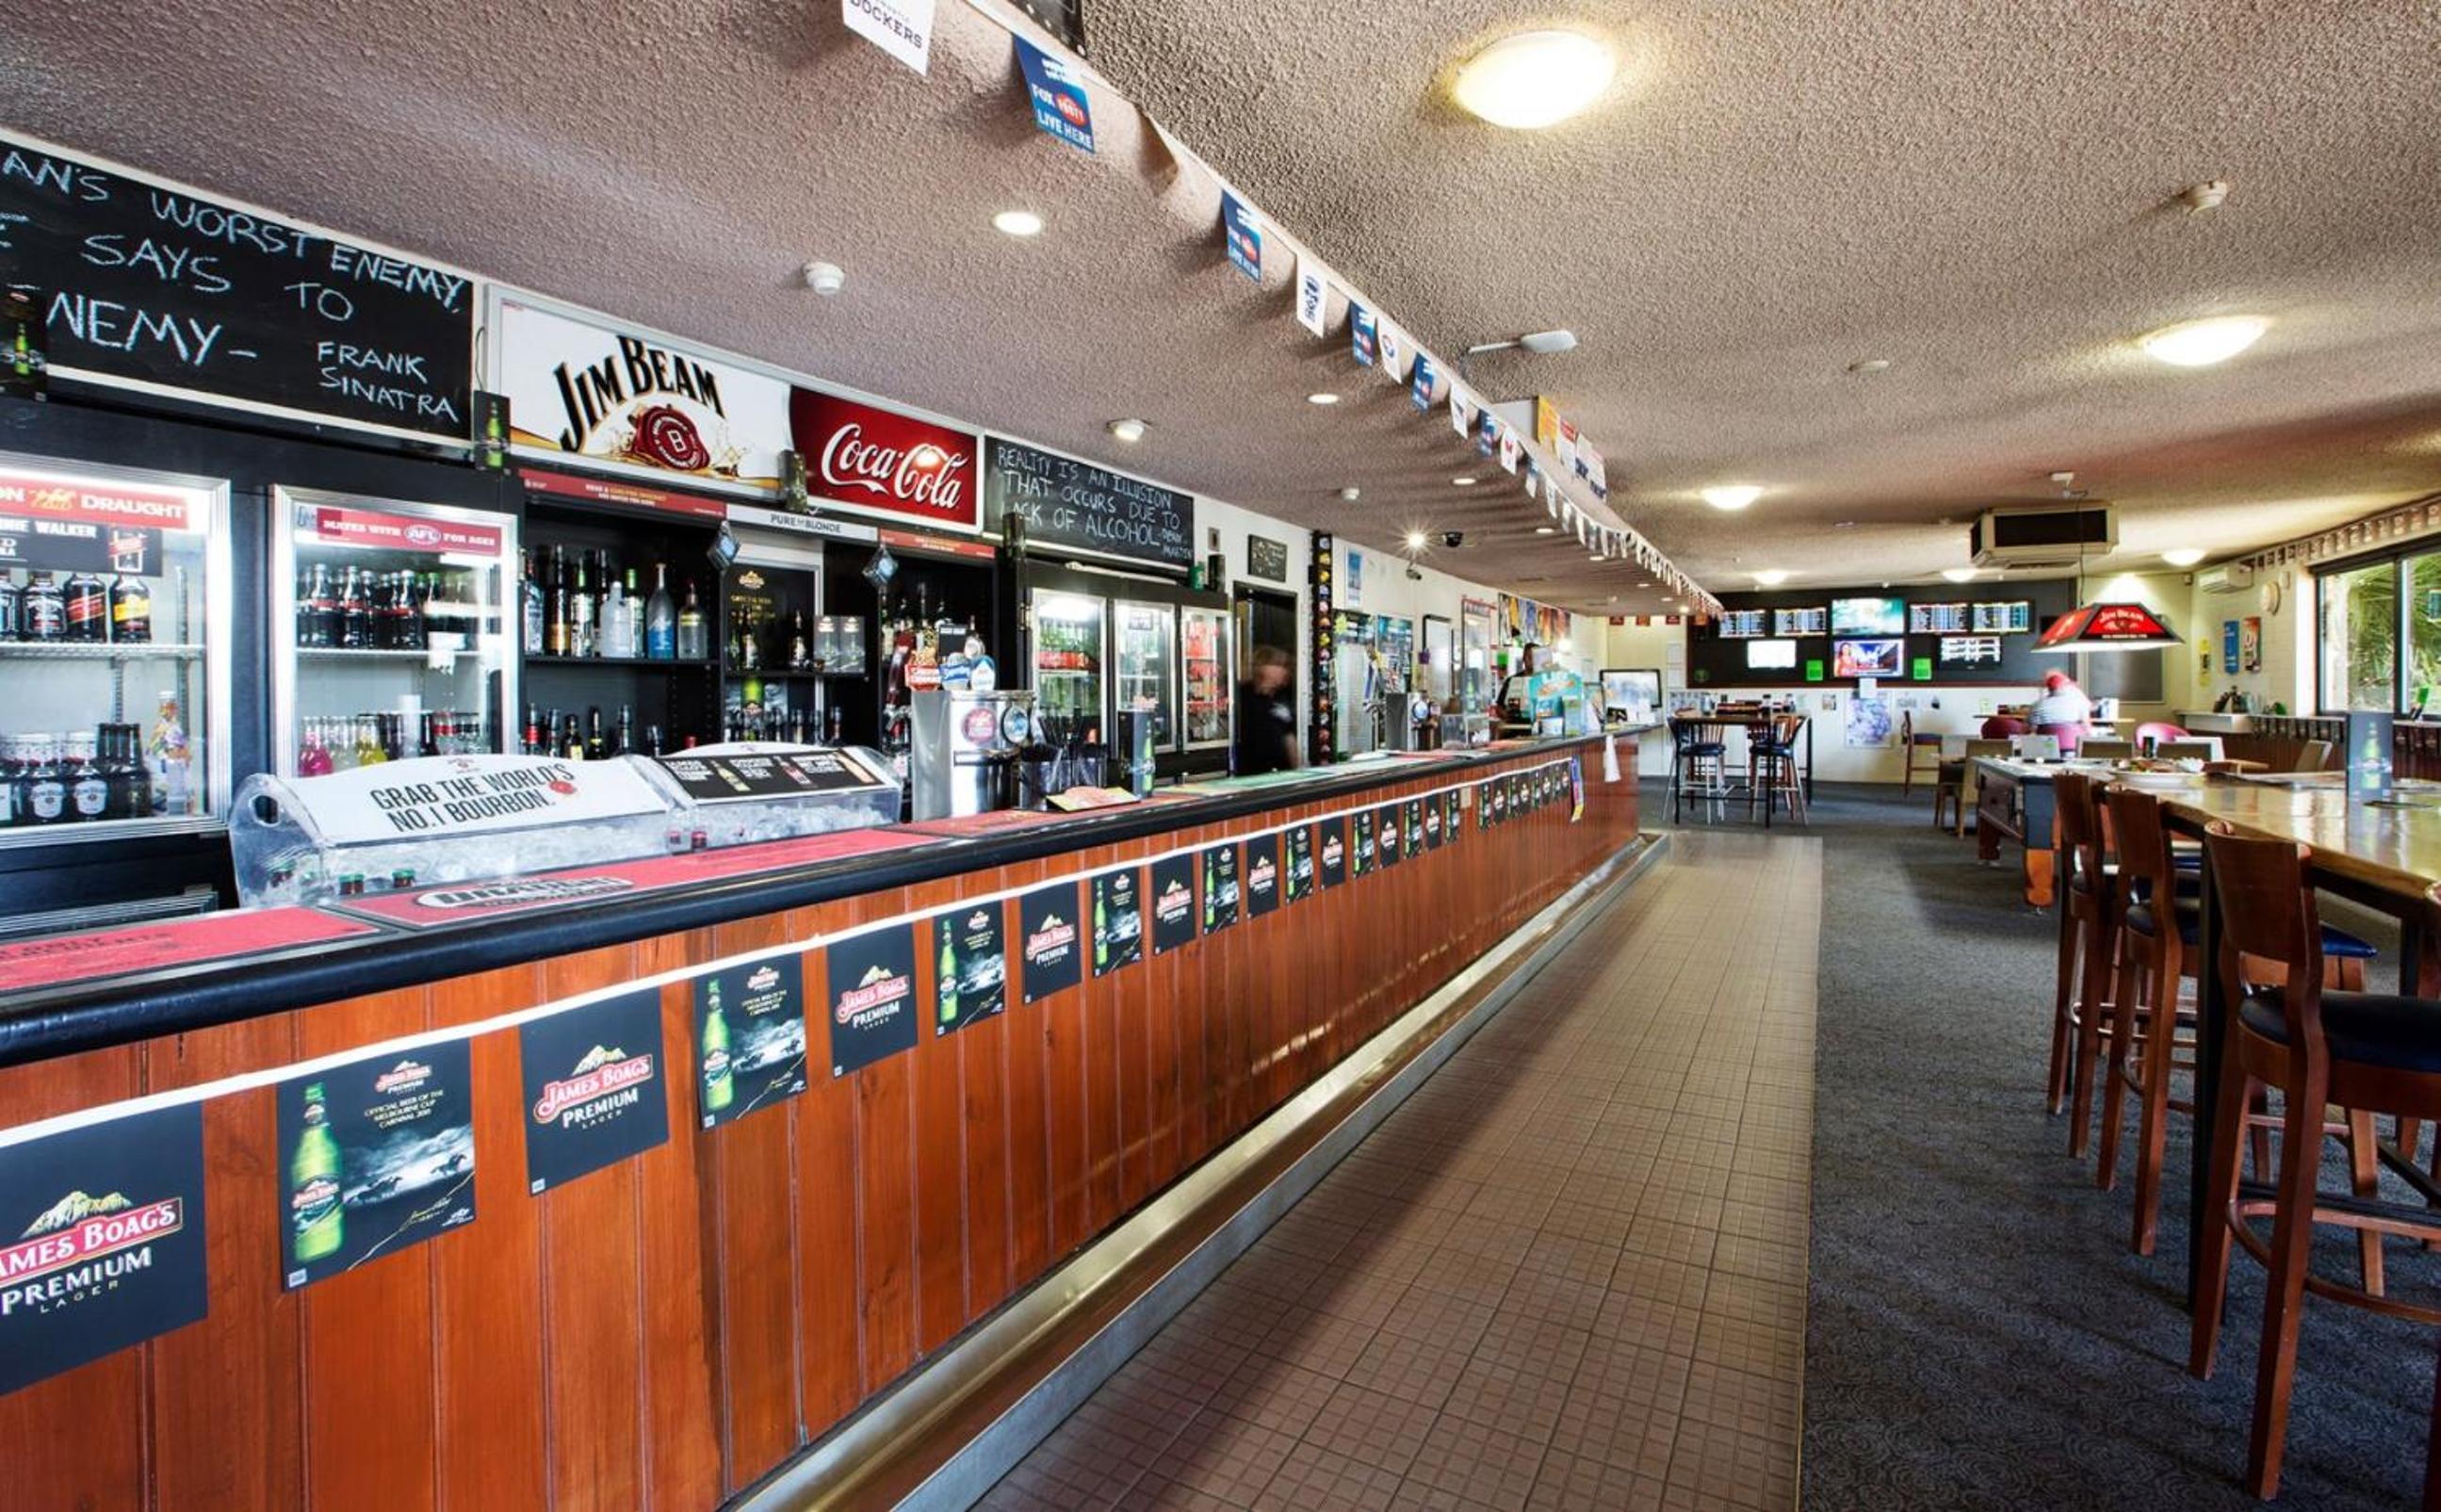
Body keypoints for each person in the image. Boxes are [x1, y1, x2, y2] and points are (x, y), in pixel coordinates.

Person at [1234, 644, 1296, 776]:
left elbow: (1289, 737)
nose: (1283, 671)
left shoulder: (1282, 698)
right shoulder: (1242, 696)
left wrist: (1297, 771)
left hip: (1280, 773)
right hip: (1250, 774)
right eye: (1278, 665)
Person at [2026, 668, 2093, 734]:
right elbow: (2086, 724)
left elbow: (2031, 727)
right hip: (2073, 740)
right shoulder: (2078, 702)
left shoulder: (2037, 705)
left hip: (2046, 740)